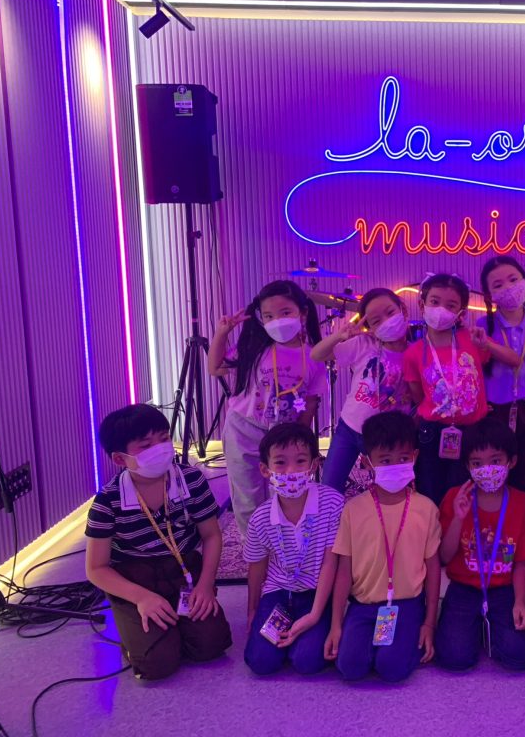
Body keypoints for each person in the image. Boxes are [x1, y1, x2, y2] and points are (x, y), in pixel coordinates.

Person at [85, 404, 231, 680]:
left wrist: (205, 585)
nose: (160, 449)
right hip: (135, 577)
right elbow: (96, 568)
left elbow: (211, 535)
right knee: (157, 664)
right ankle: (134, 630)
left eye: (164, 439)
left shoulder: (191, 479)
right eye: (146, 445)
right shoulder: (108, 501)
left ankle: (172, 627)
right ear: (120, 459)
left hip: (183, 569)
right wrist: (141, 597)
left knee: (210, 645)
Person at [326, 411, 442, 682]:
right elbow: (344, 571)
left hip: (407, 604)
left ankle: (399, 643)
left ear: (414, 457)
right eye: (385, 460)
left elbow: (433, 568)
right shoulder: (353, 510)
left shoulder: (426, 509)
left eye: (403, 459)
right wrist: (336, 625)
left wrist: (429, 623)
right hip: (363, 604)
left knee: (392, 668)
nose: (395, 466)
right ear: (367, 462)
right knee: (350, 667)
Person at [209, 279, 327, 534]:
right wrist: (222, 333)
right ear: (260, 319)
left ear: (303, 313)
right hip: (243, 428)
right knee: (246, 493)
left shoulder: (314, 356)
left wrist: (301, 438)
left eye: (285, 313)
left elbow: (310, 403)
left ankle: (282, 541)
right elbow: (214, 367)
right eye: (269, 316)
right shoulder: (253, 349)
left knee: (283, 492)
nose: (278, 321)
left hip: (284, 433)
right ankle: (252, 543)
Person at [402, 273, 517, 504]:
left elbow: (514, 359)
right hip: (432, 432)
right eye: (435, 301)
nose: (441, 309)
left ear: (461, 313)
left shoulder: (471, 339)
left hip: (472, 430)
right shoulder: (413, 352)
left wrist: (487, 345)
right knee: (431, 492)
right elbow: (418, 395)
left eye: (451, 305)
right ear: (422, 304)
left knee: (465, 493)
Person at [243, 422, 344, 675]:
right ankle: (288, 637)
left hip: (316, 594)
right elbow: (256, 568)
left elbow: (330, 562)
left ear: (314, 464)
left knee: (307, 661)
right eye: (280, 463)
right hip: (278, 592)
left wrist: (315, 614)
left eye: (300, 461)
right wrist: (252, 611)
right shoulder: (260, 518)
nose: (291, 471)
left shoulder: (333, 503)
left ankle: (303, 635)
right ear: (265, 469)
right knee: (260, 662)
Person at [436, 418, 525, 670]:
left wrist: (520, 602)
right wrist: (458, 518)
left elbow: (522, 562)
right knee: (454, 658)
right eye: (477, 463)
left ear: (511, 461)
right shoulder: (455, 498)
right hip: (464, 587)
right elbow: (444, 556)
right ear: (467, 466)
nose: (486, 469)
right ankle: (474, 627)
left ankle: (486, 627)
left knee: (518, 656)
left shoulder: (522, 502)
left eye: (496, 461)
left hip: (503, 589)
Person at [312, 288, 413, 497]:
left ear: (403, 309)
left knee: (390, 490)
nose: (386, 321)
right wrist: (339, 336)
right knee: (329, 487)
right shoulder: (363, 344)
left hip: (387, 436)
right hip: (350, 428)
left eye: (390, 312)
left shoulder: (415, 353)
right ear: (370, 328)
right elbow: (317, 355)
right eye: (376, 321)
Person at [478, 256, 525, 491]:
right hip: (493, 411)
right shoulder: (483, 326)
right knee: (493, 474)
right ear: (489, 295)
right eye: (498, 285)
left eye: (513, 280)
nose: (508, 288)